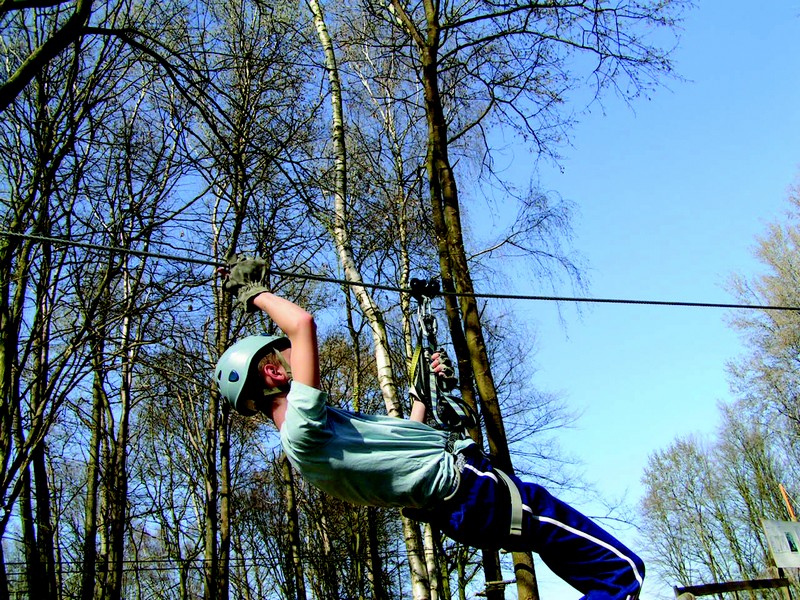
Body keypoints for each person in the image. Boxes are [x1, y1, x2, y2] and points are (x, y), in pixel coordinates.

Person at [215, 258, 645, 600]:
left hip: (461, 505)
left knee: (574, 558)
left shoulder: (318, 439)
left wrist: (424, 391)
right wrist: (256, 294)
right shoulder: (301, 426)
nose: (290, 358)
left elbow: (407, 445)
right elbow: (302, 325)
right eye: (280, 357)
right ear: (271, 371)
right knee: (621, 573)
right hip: (470, 490)